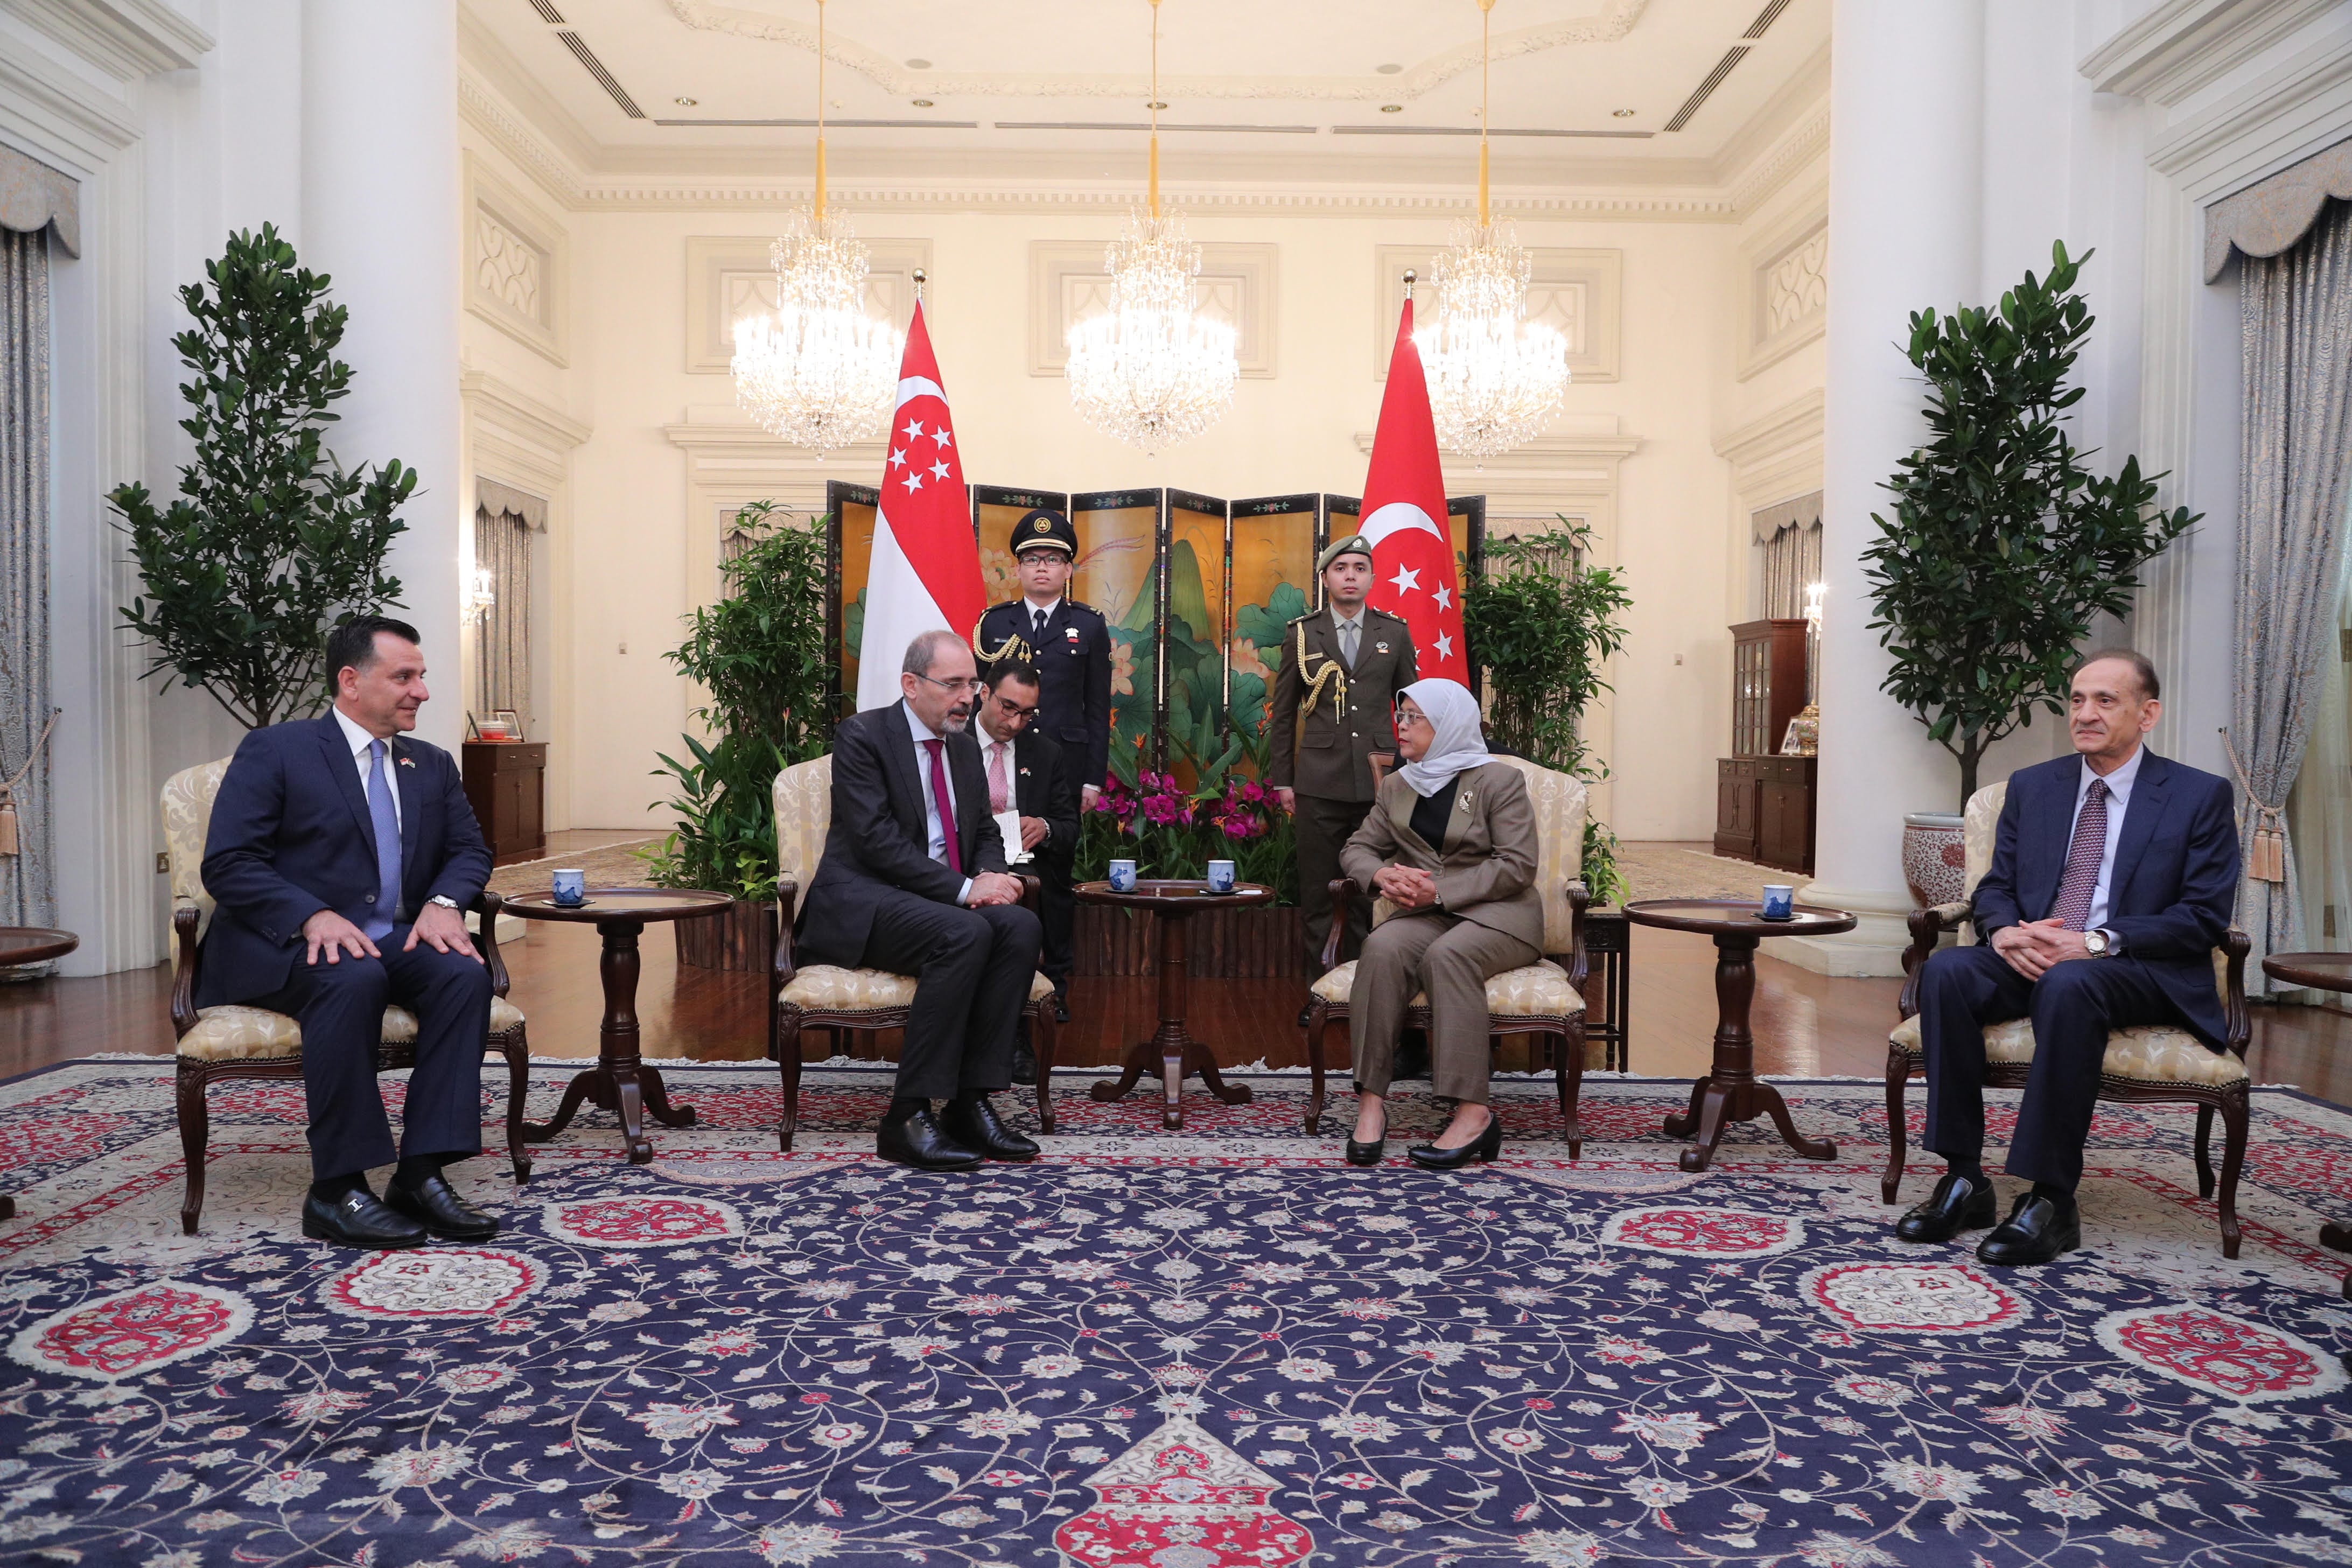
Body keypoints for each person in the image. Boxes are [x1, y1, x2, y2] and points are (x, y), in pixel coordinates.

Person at [1898, 648, 2239, 1265]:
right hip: (2033, 952)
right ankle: (1965, 1177)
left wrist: (2095, 942)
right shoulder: (2035, 787)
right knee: (1948, 971)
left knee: (2071, 985)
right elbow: (1996, 886)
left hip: (2138, 967)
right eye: (2078, 699)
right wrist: (2002, 932)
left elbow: (2203, 916)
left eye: (2105, 700)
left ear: (2148, 712)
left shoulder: (2198, 796)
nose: (2085, 713)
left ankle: (2051, 1197)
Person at [198, 615, 499, 1250]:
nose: (421, 690)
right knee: (351, 974)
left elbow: (471, 849)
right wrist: (311, 913)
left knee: (462, 973)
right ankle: (336, 1188)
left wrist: (445, 902)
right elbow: (228, 863)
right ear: (351, 680)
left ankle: (420, 1173)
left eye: (421, 676)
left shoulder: (432, 763)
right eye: (405, 676)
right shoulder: (278, 749)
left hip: (388, 936)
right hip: (284, 943)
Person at [797, 630, 1046, 1171]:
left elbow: (982, 828)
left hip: (938, 901)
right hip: (868, 898)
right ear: (912, 684)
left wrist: (991, 875)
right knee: (967, 930)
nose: (967, 696)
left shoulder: (961, 744)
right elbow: (875, 842)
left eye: (973, 683)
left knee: (1020, 926)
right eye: (953, 683)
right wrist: (965, 889)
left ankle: (969, 1102)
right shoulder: (863, 735)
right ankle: (906, 1116)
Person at [1335, 679, 1542, 1170]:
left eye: (1413, 718)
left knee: (1448, 956)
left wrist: (1442, 891)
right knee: (1381, 948)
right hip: (1429, 914)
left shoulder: (1498, 782)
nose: (1401, 726)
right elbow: (1356, 849)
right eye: (1400, 715)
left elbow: (1518, 865)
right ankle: (1371, 1104)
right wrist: (1381, 874)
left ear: (1447, 724)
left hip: (1501, 914)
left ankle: (1473, 1115)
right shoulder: (1399, 785)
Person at [1268, 533, 1418, 1023]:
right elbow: (1284, 713)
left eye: (1359, 567)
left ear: (1372, 578)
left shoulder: (1393, 632)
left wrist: (1415, 775)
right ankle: (1323, 996)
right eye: (1341, 568)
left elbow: (1411, 710)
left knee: (1376, 893)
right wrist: (1283, 780)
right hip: (1318, 781)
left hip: (1382, 784)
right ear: (1326, 578)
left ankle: (1374, 999)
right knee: (1319, 891)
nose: (1350, 575)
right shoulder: (1303, 633)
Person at [973, 508, 1110, 1023]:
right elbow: (982, 698)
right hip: (999, 760)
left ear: (1068, 570)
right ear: (1018, 568)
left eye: (1053, 560)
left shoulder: (1088, 626)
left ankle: (1055, 987)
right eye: (1032, 560)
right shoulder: (995, 623)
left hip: (1062, 766)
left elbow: (1099, 708)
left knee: (1053, 879)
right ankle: (994, 980)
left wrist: (1092, 778)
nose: (1042, 569)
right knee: (992, 865)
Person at [970, 659, 1081, 1086]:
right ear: (984, 693)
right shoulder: (952, 742)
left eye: (1028, 713)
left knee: (1034, 893)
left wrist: (1047, 826)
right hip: (964, 860)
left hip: (1025, 860)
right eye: (1008, 708)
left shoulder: (1045, 752)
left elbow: (1070, 827)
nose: (1016, 722)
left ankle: (1018, 1035)